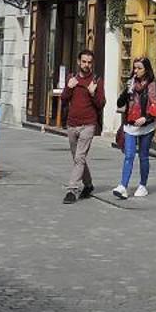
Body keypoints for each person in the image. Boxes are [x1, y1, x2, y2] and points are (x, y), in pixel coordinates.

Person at [112, 56, 156, 200]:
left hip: (146, 125)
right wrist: (126, 91)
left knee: (144, 156)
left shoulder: (152, 85)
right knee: (129, 155)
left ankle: (142, 185)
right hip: (131, 125)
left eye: (139, 68)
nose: (136, 71)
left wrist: (146, 117)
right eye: (135, 68)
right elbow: (120, 103)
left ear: (146, 70)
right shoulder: (131, 84)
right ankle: (123, 186)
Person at [60, 50, 103, 204]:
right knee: (78, 158)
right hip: (72, 124)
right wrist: (69, 87)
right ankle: (89, 184)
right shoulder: (72, 78)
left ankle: (72, 190)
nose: (87, 65)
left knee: (79, 157)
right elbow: (64, 99)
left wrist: (93, 93)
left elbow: (101, 103)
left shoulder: (96, 80)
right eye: (84, 61)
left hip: (88, 124)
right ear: (79, 62)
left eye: (89, 62)